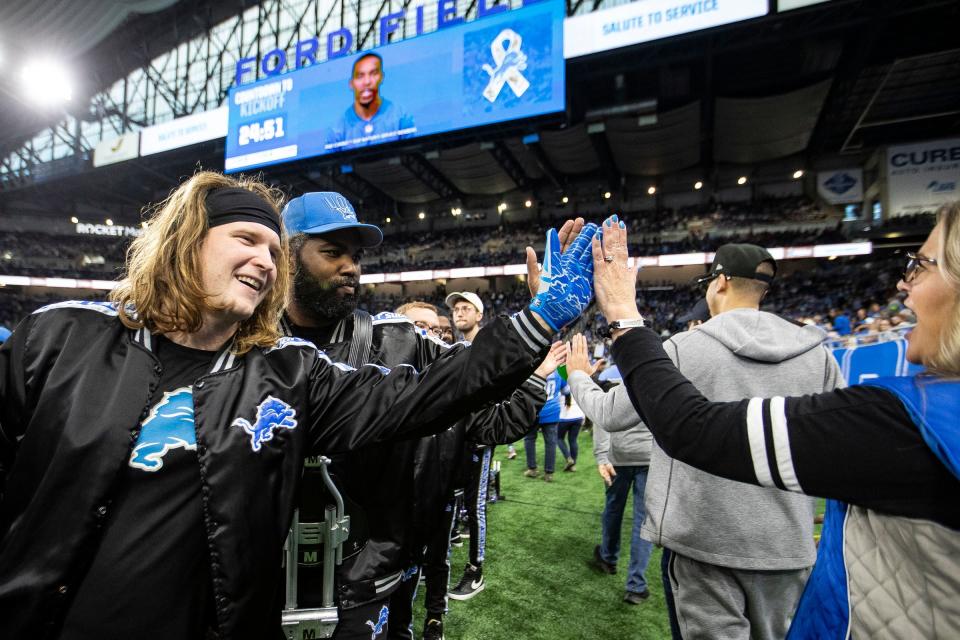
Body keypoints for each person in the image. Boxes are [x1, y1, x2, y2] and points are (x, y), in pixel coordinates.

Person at [0, 172, 597, 639]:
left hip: (323, 592)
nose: (265, 261)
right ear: (185, 242)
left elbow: (435, 397)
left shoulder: (299, 369)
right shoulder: (59, 337)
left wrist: (537, 322)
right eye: (246, 240)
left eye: (271, 250)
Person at [591, 206, 960, 639]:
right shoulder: (819, 354)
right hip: (788, 548)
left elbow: (688, 428)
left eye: (919, 266)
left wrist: (619, 321)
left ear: (720, 282)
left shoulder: (909, 417)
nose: (904, 284)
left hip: (702, 543)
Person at [278, 195, 567, 640]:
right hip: (262, 579)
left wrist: (538, 325)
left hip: (365, 577)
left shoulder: (399, 342)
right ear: (286, 255)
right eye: (333, 252)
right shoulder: (244, 341)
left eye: (356, 256)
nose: (351, 267)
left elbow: (477, 379)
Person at [565, 335, 654, 605]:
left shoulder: (615, 373)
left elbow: (603, 416)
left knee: (614, 509)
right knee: (643, 521)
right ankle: (636, 585)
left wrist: (602, 455)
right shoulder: (658, 373)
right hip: (650, 457)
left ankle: (608, 557)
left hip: (618, 456)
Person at [326, 52, 415, 151]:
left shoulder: (401, 116)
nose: (367, 82)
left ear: (381, 77)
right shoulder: (337, 129)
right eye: (360, 76)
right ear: (351, 84)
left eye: (373, 74)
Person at [522, 368, 563, 482]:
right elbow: (566, 390)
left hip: (533, 411)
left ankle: (532, 469)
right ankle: (549, 473)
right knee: (551, 443)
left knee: (529, 439)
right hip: (552, 411)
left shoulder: (534, 369)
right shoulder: (558, 371)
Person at [556, 390, 585, 472]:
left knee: (558, 438)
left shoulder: (560, 383)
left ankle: (568, 458)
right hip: (578, 416)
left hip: (564, 417)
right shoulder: (576, 383)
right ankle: (573, 465)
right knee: (573, 440)